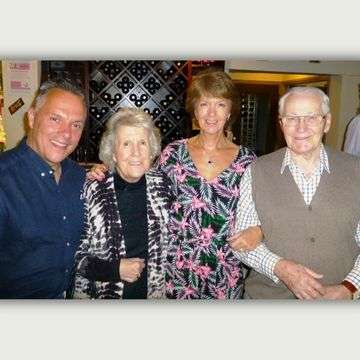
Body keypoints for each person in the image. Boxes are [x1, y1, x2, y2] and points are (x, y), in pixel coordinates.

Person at [231, 86, 360, 300]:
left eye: (311, 117)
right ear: (281, 124)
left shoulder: (356, 171)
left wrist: (349, 287)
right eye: (291, 118)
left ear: (326, 122)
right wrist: (280, 268)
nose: (301, 128)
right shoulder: (257, 171)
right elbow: (241, 244)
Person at [157, 69, 261, 299]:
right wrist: (108, 171)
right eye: (204, 104)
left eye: (220, 104)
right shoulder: (172, 153)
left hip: (226, 273)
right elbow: (147, 195)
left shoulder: (248, 161)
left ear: (230, 110)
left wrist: (259, 231)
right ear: (195, 109)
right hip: (177, 271)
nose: (211, 113)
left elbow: (265, 213)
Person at [0, 78, 87, 299]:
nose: (66, 133)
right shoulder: (4, 178)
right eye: (55, 119)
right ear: (31, 117)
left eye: (76, 124)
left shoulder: (79, 177)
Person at [73, 108, 171, 299]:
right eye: (126, 144)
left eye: (142, 143)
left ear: (151, 151)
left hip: (153, 296)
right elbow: (74, 255)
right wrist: (115, 269)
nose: (136, 152)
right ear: (113, 153)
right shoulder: (92, 190)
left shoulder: (164, 186)